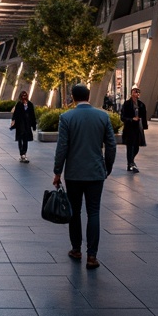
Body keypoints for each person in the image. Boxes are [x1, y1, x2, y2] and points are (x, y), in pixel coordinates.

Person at [52, 84, 116, 269]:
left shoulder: (66, 117)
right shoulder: (103, 116)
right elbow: (111, 145)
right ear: (89, 96)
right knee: (93, 212)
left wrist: (57, 172)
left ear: (72, 97)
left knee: (75, 212)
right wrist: (107, 167)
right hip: (96, 172)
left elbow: (61, 147)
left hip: (73, 174)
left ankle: (76, 249)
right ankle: (92, 256)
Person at [120, 86, 148, 172]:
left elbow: (144, 116)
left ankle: (131, 162)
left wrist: (144, 125)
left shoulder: (141, 104)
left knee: (136, 147)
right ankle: (131, 164)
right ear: (132, 93)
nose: (137, 94)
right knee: (130, 147)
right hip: (129, 128)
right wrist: (131, 119)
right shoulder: (127, 104)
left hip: (138, 128)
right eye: (135, 92)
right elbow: (123, 117)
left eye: (138, 92)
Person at [10, 90, 37, 162]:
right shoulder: (19, 104)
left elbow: (32, 115)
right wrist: (13, 121)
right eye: (23, 96)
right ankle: (21, 153)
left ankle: (23, 153)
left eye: (25, 95)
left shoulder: (30, 104)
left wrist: (34, 125)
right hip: (20, 124)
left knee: (25, 139)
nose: (24, 97)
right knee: (20, 139)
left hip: (27, 125)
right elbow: (15, 114)